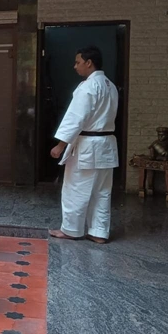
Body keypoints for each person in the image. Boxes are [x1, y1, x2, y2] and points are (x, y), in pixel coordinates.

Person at [49, 46, 119, 244]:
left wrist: (60, 145)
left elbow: (76, 119)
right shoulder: (110, 86)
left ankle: (71, 230)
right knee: (102, 191)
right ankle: (99, 232)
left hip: (88, 145)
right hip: (106, 144)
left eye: (78, 62)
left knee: (76, 189)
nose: (75, 66)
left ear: (89, 63)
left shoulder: (88, 87)